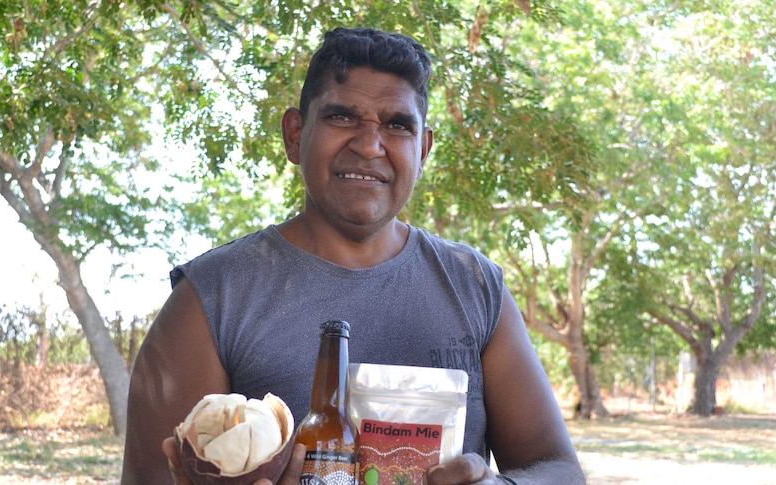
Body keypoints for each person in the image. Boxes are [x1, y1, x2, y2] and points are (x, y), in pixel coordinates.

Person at [121, 27, 585, 485]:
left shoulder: (476, 288)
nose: (369, 144)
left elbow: (560, 470)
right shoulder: (211, 299)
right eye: (342, 117)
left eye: (396, 124)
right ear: (294, 134)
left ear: (422, 150)